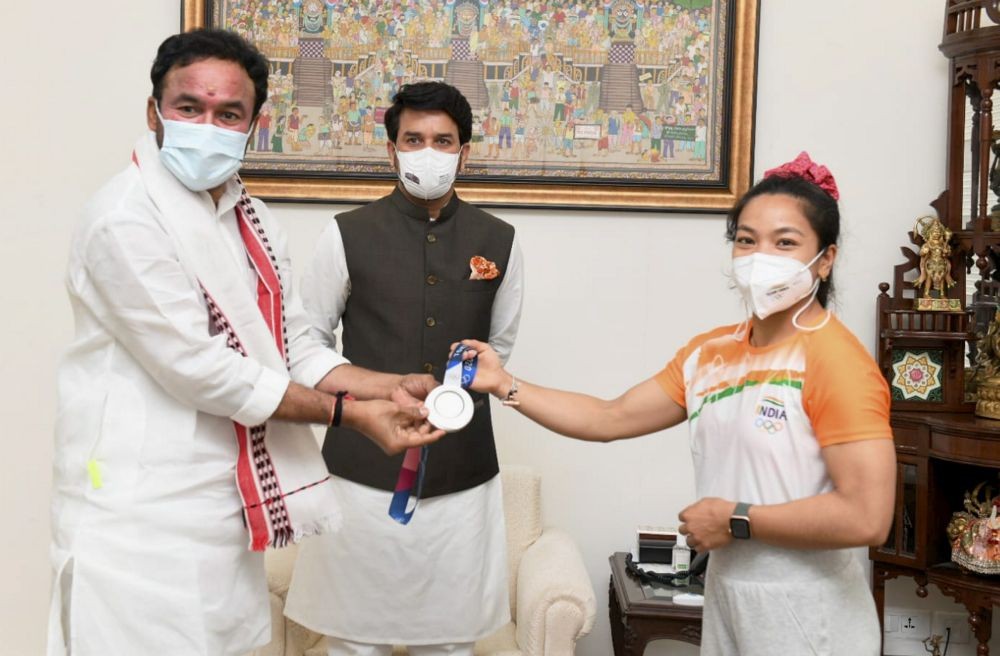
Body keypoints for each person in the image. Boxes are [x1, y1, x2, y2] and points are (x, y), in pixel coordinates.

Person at [49, 29, 443, 656]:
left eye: (227, 113)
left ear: (253, 124)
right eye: (189, 108)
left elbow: (285, 346)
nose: (207, 124)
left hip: (221, 512)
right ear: (154, 112)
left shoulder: (248, 218)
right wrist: (351, 416)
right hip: (137, 514)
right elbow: (204, 371)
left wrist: (384, 386)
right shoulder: (124, 218)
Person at [455, 152, 896, 655]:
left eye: (785, 242)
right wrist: (504, 383)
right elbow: (610, 417)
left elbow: (867, 516)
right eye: (747, 240)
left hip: (810, 615)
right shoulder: (712, 353)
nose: (760, 256)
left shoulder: (837, 361)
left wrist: (736, 519)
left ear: (827, 258)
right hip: (729, 599)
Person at [285, 81, 524, 656]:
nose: (428, 152)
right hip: (359, 472)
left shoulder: (501, 240)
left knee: (451, 645)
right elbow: (303, 342)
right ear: (391, 150)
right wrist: (373, 393)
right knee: (349, 643)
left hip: (462, 475)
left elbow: (500, 348)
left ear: (464, 152)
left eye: (443, 141)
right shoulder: (346, 233)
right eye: (413, 139)